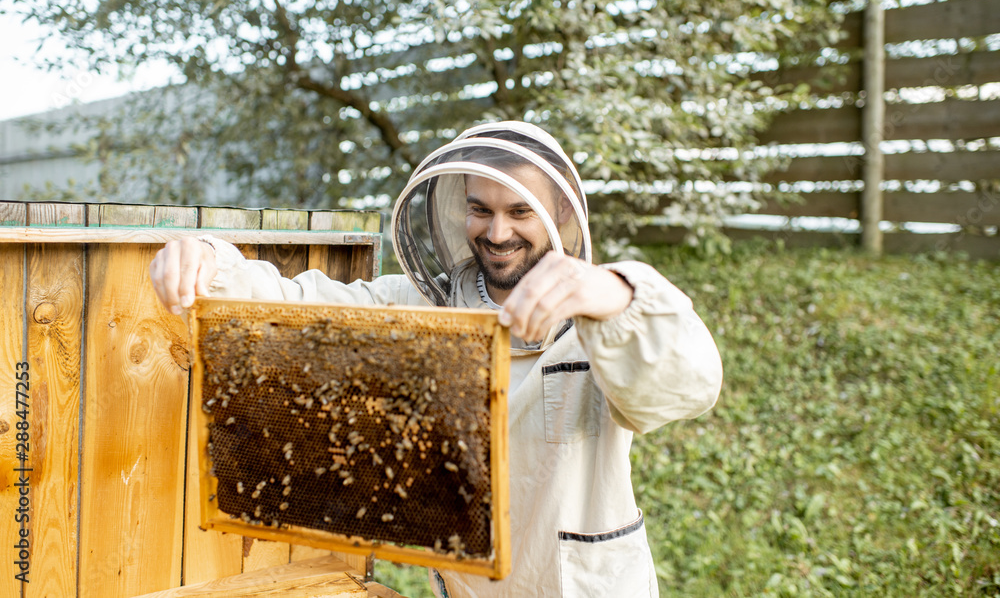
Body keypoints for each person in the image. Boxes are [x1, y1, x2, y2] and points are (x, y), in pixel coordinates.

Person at [149, 121, 723, 597]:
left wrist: (615, 295)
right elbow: (300, 306)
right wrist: (206, 261)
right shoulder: (420, 305)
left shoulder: (604, 319)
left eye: (520, 212)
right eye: (481, 209)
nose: (497, 232)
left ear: (563, 219)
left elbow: (689, 383)